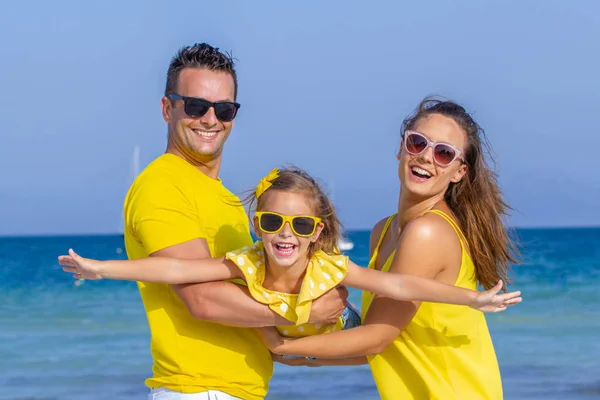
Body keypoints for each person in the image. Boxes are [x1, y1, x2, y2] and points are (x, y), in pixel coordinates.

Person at [59, 167, 521, 346]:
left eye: (300, 226)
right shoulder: (248, 262)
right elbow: (175, 268)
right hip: (287, 340)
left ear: (316, 232)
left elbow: (400, 285)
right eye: (273, 223)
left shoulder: (329, 267)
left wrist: (471, 299)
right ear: (258, 226)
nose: (286, 235)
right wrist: (102, 268)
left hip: (343, 331)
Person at [119, 43, 349, 400]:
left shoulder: (223, 197)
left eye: (224, 109)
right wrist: (303, 311)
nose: (210, 119)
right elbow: (202, 299)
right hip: (200, 390)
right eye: (196, 106)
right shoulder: (162, 185)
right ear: (168, 108)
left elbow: (254, 298)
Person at [254, 98, 521, 400]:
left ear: (459, 172)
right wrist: (301, 356)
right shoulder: (385, 231)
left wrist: (283, 346)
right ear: (402, 147)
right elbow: (388, 345)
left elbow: (376, 339)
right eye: (418, 143)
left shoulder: (427, 232)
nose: (426, 157)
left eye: (444, 153)